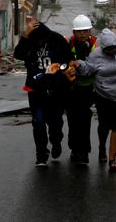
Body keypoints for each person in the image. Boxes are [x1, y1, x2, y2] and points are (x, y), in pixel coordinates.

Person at [71, 28, 116, 173]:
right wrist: (79, 64)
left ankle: (112, 159)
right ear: (102, 48)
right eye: (108, 50)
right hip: (103, 95)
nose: (111, 52)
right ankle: (102, 147)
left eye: (113, 48)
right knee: (104, 125)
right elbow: (87, 70)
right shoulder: (95, 55)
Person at [14, 17, 74, 168]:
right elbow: (18, 54)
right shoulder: (29, 43)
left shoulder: (57, 40)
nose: (39, 42)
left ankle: (56, 141)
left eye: (41, 39)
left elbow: (69, 60)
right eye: (36, 39)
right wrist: (25, 36)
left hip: (57, 89)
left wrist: (58, 69)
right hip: (35, 90)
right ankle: (41, 154)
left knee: (55, 123)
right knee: (38, 122)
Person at [64, 15, 97, 165]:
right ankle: (74, 148)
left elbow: (97, 66)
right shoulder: (67, 43)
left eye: (85, 31)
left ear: (90, 30)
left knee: (84, 119)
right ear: (74, 32)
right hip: (71, 89)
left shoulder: (95, 46)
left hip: (87, 89)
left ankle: (84, 152)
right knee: (72, 119)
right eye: (79, 31)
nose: (82, 34)